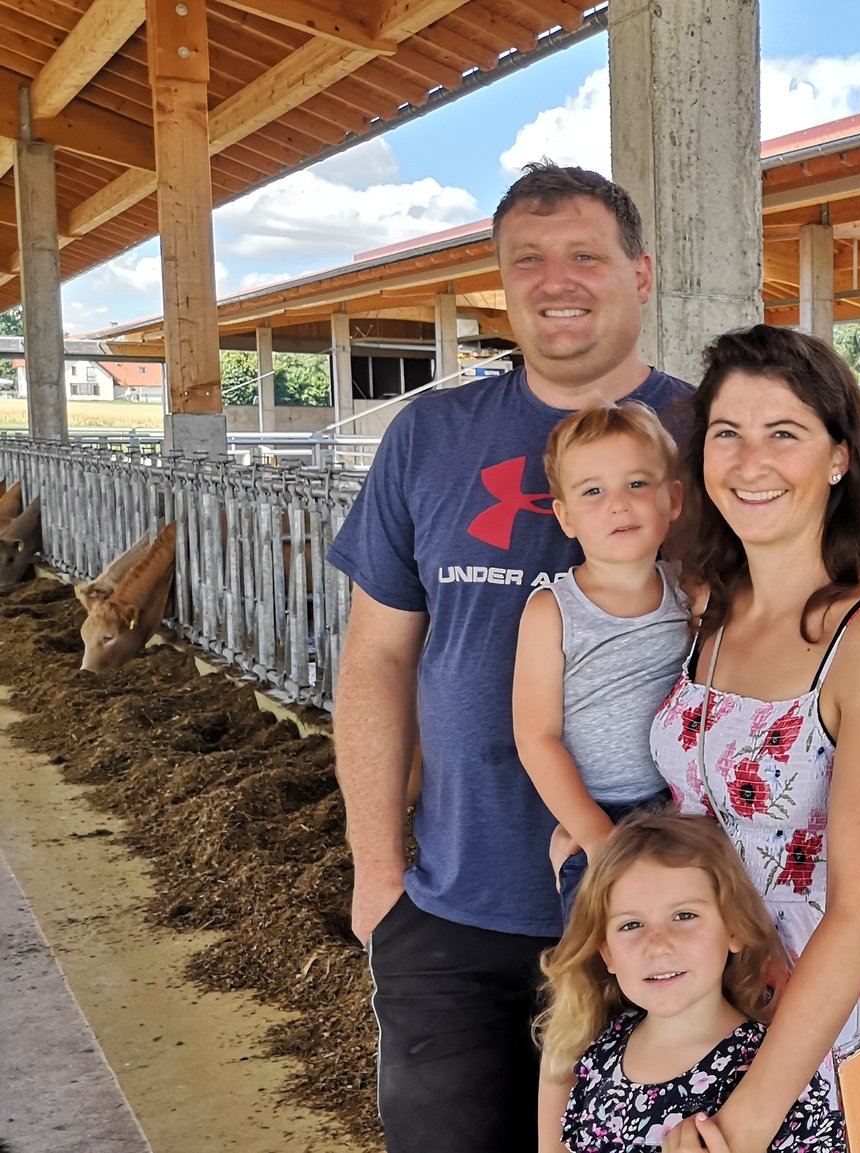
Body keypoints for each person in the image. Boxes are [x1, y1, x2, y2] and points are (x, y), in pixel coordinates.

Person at [328, 162, 694, 1153]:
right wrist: (377, 872)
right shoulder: (433, 434)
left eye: (585, 253)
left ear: (641, 275)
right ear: (501, 281)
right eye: (526, 259)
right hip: (452, 904)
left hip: (664, 911)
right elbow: (375, 658)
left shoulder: (711, 439)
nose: (555, 279)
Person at [650, 325, 860, 1153]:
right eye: (727, 433)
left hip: (792, 1031)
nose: (749, 460)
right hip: (680, 997)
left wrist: (747, 1120)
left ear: (837, 458)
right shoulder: (708, 604)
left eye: (784, 433)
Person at [537, 810, 844, 1152]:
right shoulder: (598, 1051)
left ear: (733, 928)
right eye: (631, 925)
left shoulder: (770, 1073)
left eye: (684, 916)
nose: (657, 944)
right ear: (607, 953)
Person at [514, 402, 691, 925]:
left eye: (638, 484)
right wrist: (595, 835)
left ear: (672, 499)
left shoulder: (691, 593)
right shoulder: (553, 610)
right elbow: (536, 736)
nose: (619, 505)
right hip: (598, 814)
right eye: (593, 491)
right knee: (604, 965)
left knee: (685, 959)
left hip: (688, 808)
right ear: (564, 516)